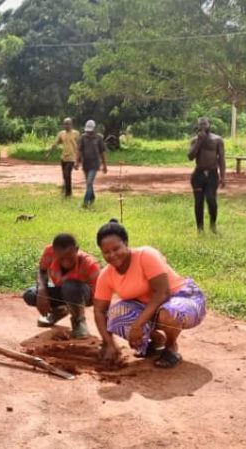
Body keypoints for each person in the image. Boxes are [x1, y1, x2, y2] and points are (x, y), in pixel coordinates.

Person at [93, 220, 207, 369]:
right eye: (106, 252)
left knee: (169, 313)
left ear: (126, 243)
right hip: (151, 307)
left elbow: (163, 292)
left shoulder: (145, 255)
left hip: (183, 298)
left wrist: (137, 326)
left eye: (116, 248)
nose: (112, 255)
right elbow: (99, 310)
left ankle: (171, 346)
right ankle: (155, 341)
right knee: (116, 313)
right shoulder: (106, 275)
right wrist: (109, 343)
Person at [22, 233, 100, 339]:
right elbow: (42, 271)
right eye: (61, 258)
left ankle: (79, 322)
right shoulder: (49, 252)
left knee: (70, 286)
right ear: (54, 252)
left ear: (76, 250)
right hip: (63, 290)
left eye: (69, 256)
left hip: (84, 295)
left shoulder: (90, 264)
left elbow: (99, 295)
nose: (66, 261)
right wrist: (42, 292)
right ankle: (59, 310)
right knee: (30, 294)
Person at [187, 117, 226, 233]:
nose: (203, 126)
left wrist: (223, 177)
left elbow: (222, 159)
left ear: (210, 125)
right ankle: (200, 228)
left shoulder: (217, 140)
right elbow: (190, 157)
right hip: (198, 174)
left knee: (211, 200)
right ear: (198, 126)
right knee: (198, 202)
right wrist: (199, 141)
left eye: (205, 124)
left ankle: (213, 226)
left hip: (212, 174)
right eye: (201, 125)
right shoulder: (195, 140)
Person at [75, 120, 107, 207]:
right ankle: (92, 198)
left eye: (91, 131)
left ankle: (85, 203)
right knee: (89, 183)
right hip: (85, 164)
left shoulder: (99, 138)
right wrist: (76, 162)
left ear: (94, 129)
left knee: (89, 182)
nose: (89, 133)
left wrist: (104, 165)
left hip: (95, 164)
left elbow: (102, 152)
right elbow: (79, 150)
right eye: (87, 131)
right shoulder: (83, 138)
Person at [52, 118, 79, 197]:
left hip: (72, 158)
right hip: (63, 157)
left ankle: (68, 193)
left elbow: (80, 146)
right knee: (65, 176)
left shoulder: (76, 133)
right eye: (65, 124)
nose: (66, 125)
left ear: (71, 125)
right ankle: (65, 189)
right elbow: (55, 144)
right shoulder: (61, 133)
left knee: (67, 174)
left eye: (68, 124)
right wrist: (49, 153)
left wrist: (79, 159)